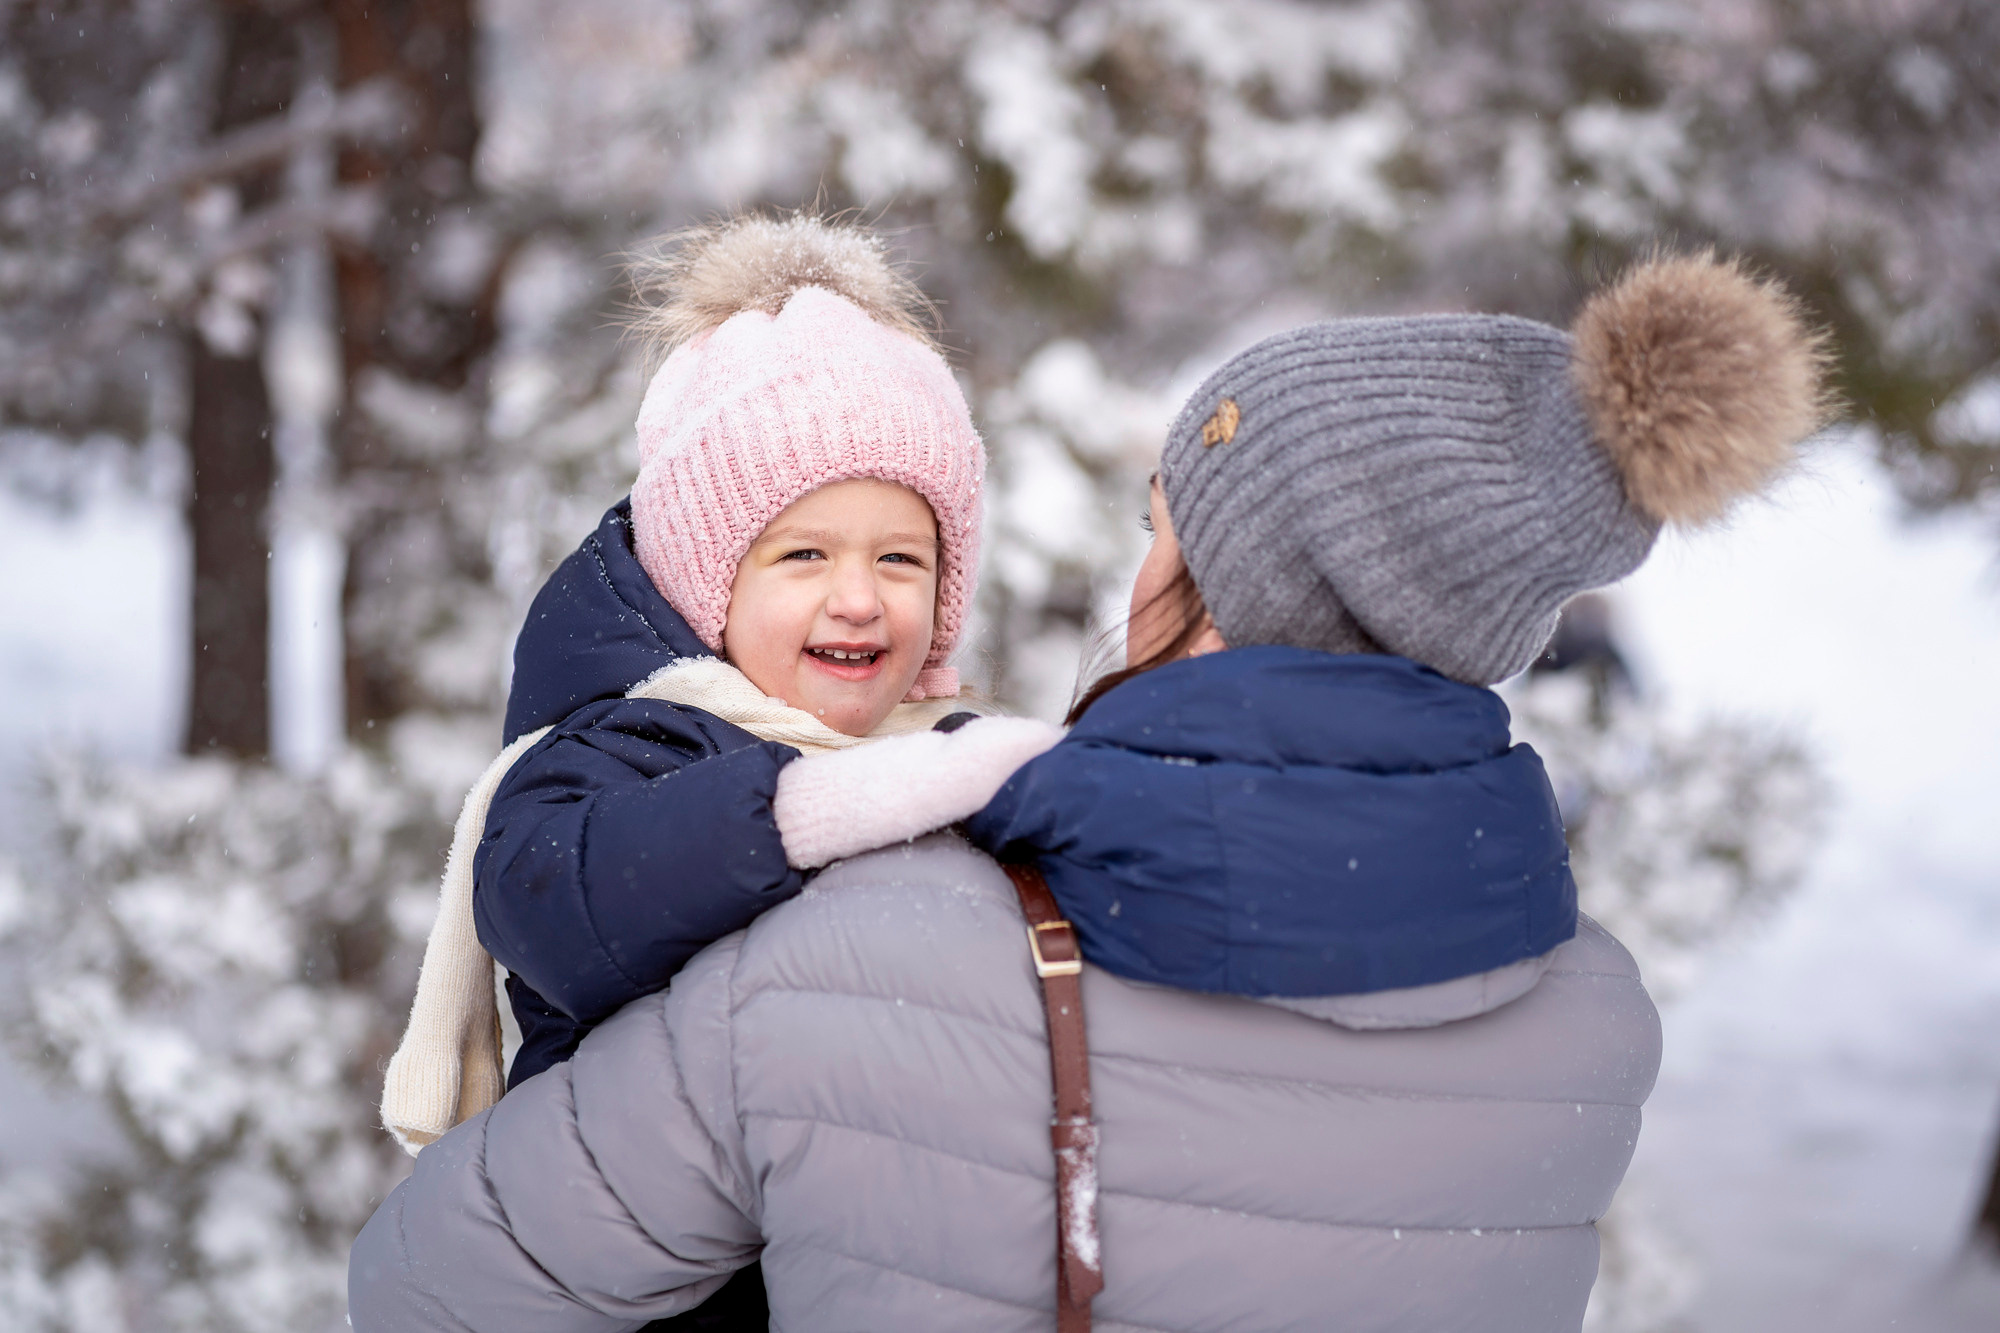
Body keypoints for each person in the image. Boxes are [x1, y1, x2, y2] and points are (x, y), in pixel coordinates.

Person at [351, 251, 1828, 1331]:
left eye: (1155, 523)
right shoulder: (1588, 1025)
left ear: (1203, 577)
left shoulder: (869, 947)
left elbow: (427, 1286)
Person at [376, 215, 1058, 1327]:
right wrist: (800, 808)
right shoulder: (634, 746)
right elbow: (546, 893)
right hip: (650, 1295)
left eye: (901, 557)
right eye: (803, 555)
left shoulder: (942, 757)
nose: (857, 596)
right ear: (705, 582)